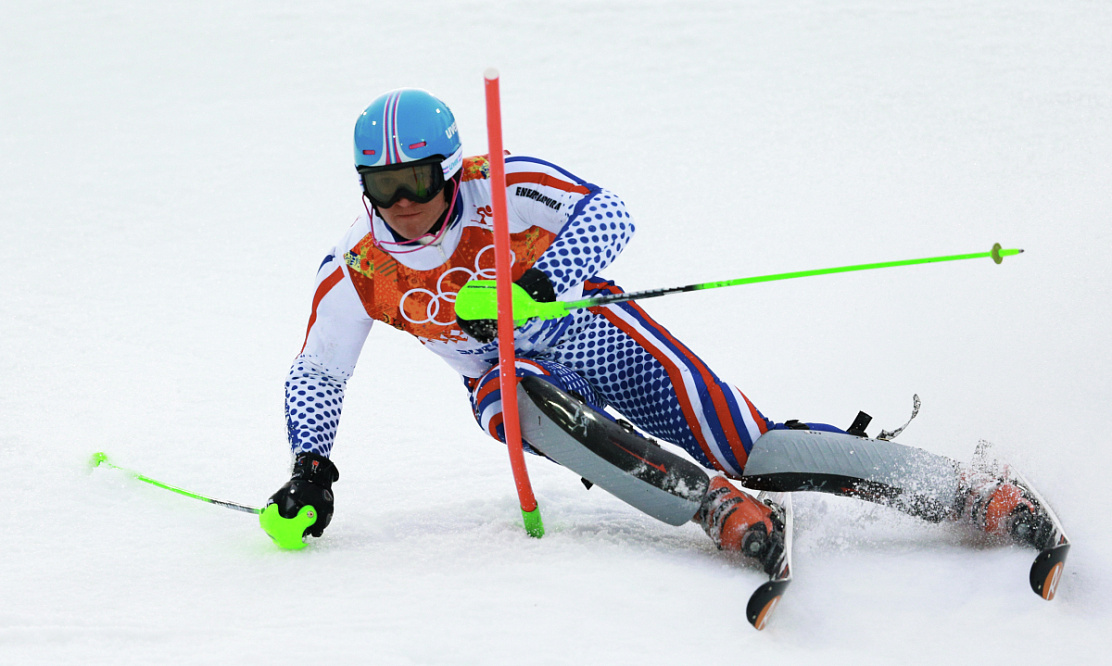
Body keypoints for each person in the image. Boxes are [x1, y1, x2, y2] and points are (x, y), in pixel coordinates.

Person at [263, 88, 1048, 564]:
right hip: (501, 373)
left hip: (588, 325)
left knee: (751, 446)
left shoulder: (500, 185)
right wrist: (311, 468)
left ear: (450, 167)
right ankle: (714, 510)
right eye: (382, 183)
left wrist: (543, 281)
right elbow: (319, 371)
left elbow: (607, 210)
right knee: (517, 401)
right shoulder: (358, 267)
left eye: (417, 179)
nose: (402, 201)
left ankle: (967, 492)